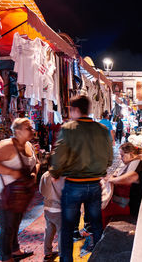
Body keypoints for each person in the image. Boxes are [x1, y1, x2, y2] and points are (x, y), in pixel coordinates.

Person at [50, 95, 113, 262]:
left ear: (75, 109)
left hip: (74, 186)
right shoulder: (101, 129)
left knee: (68, 226)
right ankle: (101, 257)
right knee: (96, 224)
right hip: (94, 185)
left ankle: (66, 260)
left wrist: (55, 173)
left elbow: (58, 157)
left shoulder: (69, 129)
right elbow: (109, 158)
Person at [0, 118, 39, 262]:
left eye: (32, 128)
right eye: (29, 128)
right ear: (18, 131)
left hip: (18, 194)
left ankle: (15, 250)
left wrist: (34, 173)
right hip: (0, 194)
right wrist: (12, 172)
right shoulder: (7, 145)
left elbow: (36, 162)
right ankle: (6, 257)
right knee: (7, 227)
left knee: (15, 223)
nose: (33, 131)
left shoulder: (28, 145)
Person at [101, 142, 142, 228]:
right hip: (124, 202)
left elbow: (129, 178)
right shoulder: (134, 163)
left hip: (128, 205)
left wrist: (111, 180)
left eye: (122, 155)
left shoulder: (139, 163)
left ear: (130, 154)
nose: (120, 158)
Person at [39, 171, 65, 262]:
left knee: (49, 230)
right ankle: (63, 255)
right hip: (60, 209)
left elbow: (41, 190)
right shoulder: (65, 175)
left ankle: (47, 253)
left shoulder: (45, 175)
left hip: (48, 207)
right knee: (62, 233)